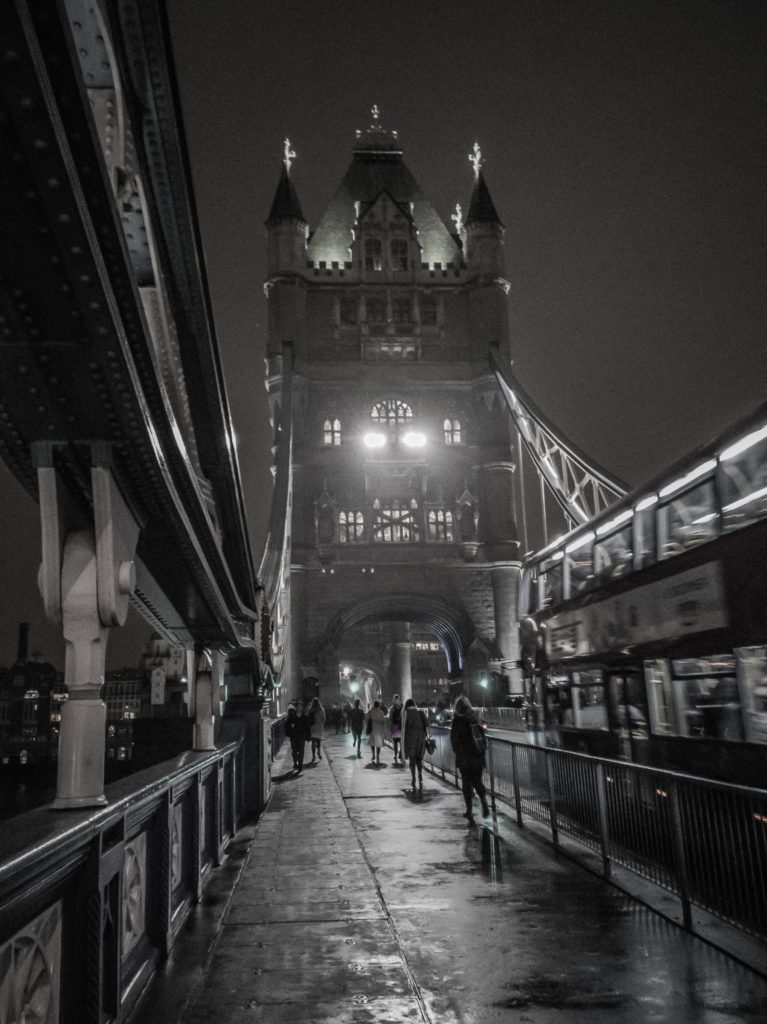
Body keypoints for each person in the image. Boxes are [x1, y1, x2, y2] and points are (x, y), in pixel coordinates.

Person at [450, 695, 490, 821]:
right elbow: (483, 733)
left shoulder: (457, 720)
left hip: (464, 757)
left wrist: (457, 750)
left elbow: (454, 740)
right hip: (477, 755)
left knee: (466, 784)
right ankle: (484, 802)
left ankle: (469, 811)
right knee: (477, 780)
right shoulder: (476, 717)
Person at [400, 697, 427, 790]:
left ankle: (413, 778)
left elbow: (403, 728)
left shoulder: (405, 713)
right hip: (421, 739)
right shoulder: (420, 712)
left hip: (410, 739)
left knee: (412, 760)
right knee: (419, 759)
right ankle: (420, 775)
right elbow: (427, 723)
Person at [284, 703, 308, 772]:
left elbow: (307, 727)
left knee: (301, 751)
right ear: (296, 708)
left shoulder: (304, 717)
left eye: (301, 707)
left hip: (301, 736)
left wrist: (307, 736)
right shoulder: (292, 716)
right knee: (294, 751)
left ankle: (300, 764)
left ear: (302, 708)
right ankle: (295, 762)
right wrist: (290, 729)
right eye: (298, 707)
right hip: (293, 736)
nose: (299, 708)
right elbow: (287, 725)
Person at [366, 699, 386, 764]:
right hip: (379, 731)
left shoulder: (371, 712)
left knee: (372, 742)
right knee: (378, 744)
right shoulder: (381, 712)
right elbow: (383, 722)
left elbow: (367, 718)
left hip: (372, 729)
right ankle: (377, 755)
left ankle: (373, 754)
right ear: (379, 705)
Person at [308, 696, 326, 762]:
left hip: (312, 727)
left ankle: (313, 756)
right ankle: (318, 752)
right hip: (319, 727)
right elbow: (324, 719)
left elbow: (308, 718)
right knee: (318, 741)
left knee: (313, 742)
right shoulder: (321, 709)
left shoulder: (310, 709)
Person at [388, 693, 403, 764]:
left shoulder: (391, 709)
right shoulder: (402, 708)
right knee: (401, 742)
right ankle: (401, 753)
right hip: (401, 727)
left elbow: (390, 719)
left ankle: (395, 755)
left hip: (394, 727)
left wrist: (390, 729)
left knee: (395, 743)